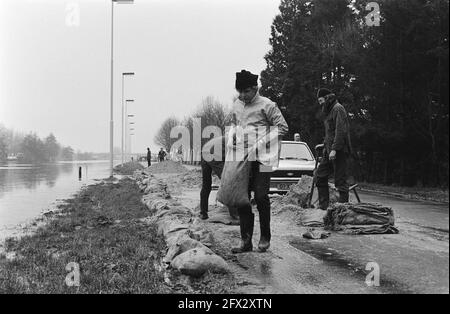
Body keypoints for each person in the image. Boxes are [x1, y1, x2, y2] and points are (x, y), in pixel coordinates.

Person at [230, 70, 289, 253]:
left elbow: (283, 127)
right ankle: (245, 241)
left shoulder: (268, 105)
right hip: (244, 159)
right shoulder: (237, 105)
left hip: (264, 159)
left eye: (246, 91)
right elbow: (234, 123)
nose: (242, 95)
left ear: (255, 88)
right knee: (242, 198)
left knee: (261, 196)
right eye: (239, 91)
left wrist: (262, 142)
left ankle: (265, 237)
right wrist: (232, 135)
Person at [315, 88, 352, 210]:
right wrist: (325, 146)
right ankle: (323, 208)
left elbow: (340, 131)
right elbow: (329, 133)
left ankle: (342, 210)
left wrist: (335, 149)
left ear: (326, 98)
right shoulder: (329, 110)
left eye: (320, 100)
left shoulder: (338, 108)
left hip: (339, 150)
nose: (320, 103)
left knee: (340, 181)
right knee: (320, 176)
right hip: (329, 149)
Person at [200, 136, 238, 221]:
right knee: (228, 182)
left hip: (204, 151)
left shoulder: (229, 138)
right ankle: (235, 214)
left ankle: (203, 213)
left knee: (206, 184)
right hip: (214, 153)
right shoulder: (237, 142)